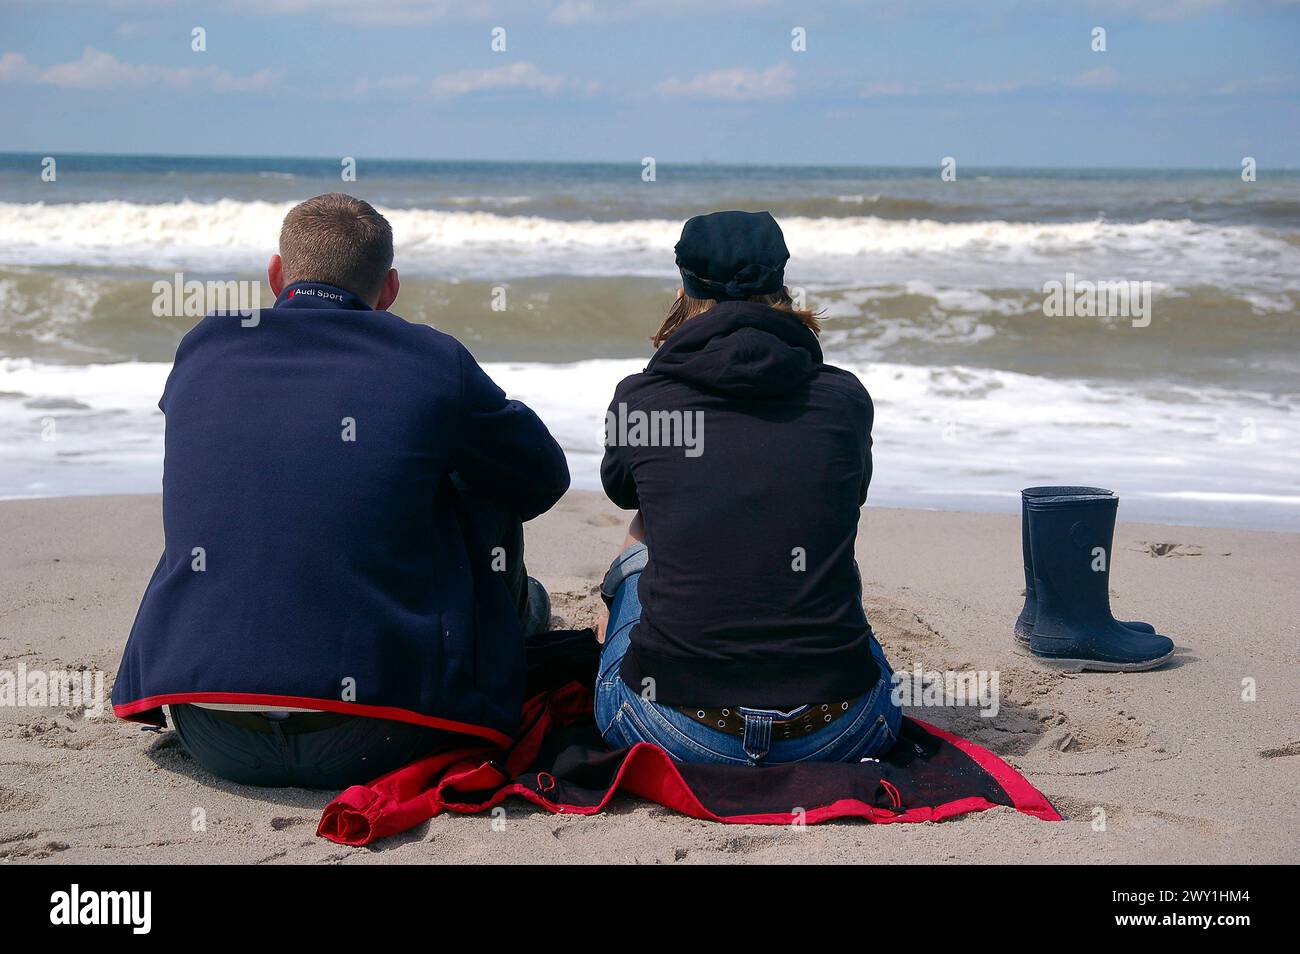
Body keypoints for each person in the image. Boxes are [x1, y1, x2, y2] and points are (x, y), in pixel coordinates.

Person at [111, 193, 570, 788]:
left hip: (210, 728)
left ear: (277, 275)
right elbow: (541, 477)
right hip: (381, 732)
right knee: (480, 473)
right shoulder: (430, 358)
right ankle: (504, 624)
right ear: (390, 289)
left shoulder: (204, 348)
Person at [594, 210, 901, 766]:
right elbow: (848, 494)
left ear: (684, 285)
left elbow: (624, 492)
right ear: (782, 283)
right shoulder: (844, 400)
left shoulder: (641, 398)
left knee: (642, 539)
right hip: (840, 729)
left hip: (674, 728)